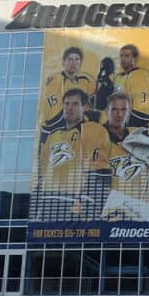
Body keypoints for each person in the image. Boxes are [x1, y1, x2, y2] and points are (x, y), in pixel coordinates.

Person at [100, 91, 149, 221]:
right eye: (114, 109)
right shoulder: (97, 136)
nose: (119, 114)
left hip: (138, 211)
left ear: (129, 111)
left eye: (123, 109)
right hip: (108, 210)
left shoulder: (139, 135)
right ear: (106, 111)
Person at [36, 88, 109, 221]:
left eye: (75, 104)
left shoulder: (92, 130)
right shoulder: (53, 135)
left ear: (85, 107)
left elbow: (99, 172)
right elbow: (42, 173)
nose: (69, 108)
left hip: (73, 203)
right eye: (66, 104)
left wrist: (88, 206)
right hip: (47, 204)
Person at [38, 46, 96, 134]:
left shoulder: (86, 79)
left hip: (76, 128)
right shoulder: (56, 80)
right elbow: (52, 114)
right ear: (64, 62)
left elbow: (95, 101)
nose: (74, 63)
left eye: (77, 59)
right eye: (70, 59)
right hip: (54, 130)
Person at [110, 44, 149, 127]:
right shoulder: (119, 77)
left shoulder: (140, 74)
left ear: (135, 58)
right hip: (122, 116)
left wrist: (126, 120)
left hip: (136, 116)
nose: (123, 59)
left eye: (127, 56)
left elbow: (136, 102)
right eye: (121, 56)